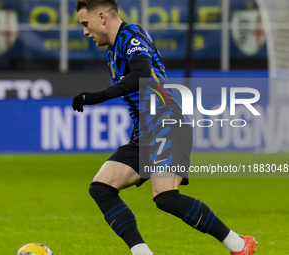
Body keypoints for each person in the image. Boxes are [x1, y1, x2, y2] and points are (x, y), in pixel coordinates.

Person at [72, 0, 257, 254]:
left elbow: (141, 75)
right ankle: (141, 252)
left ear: (102, 17)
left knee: (165, 197)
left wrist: (96, 96)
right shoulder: (112, 53)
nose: (85, 32)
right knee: (101, 187)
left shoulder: (132, 36)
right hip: (145, 134)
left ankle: (238, 244)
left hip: (168, 124)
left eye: (85, 23)